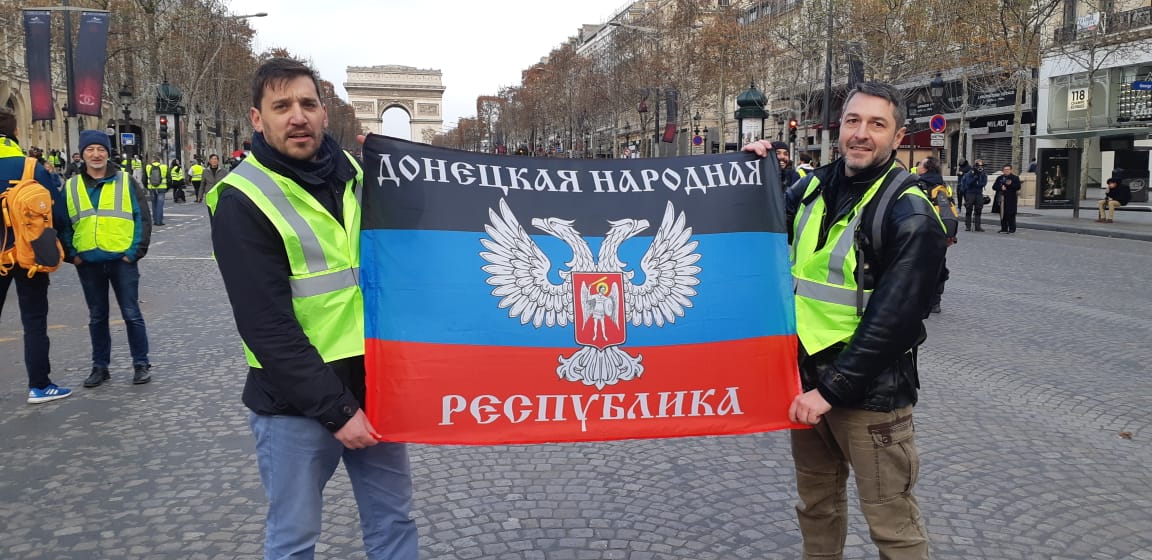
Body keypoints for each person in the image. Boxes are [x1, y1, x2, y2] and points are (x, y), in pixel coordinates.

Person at [206, 58, 418, 559]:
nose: (296, 116)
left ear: (325, 113)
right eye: (281, 106)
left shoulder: (364, 177)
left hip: (376, 385)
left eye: (306, 103)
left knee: (394, 523)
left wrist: (406, 163)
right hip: (296, 404)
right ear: (257, 118)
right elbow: (265, 326)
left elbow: (413, 244)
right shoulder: (240, 198)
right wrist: (338, 410)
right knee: (294, 539)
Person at [746, 81, 945, 559]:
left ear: (898, 138)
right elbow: (762, 223)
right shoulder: (814, 185)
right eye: (853, 121)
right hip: (805, 378)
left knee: (893, 525)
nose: (861, 133)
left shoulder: (911, 212)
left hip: (869, 396)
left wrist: (829, 392)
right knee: (816, 507)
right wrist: (750, 172)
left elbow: (893, 323)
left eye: (877, 124)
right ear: (839, 129)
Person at [63, 130, 154, 387]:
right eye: (90, 149)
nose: (96, 154)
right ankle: (100, 367)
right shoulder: (70, 186)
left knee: (131, 313)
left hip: (121, 260)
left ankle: (140, 363)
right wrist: (73, 255)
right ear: (82, 154)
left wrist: (134, 253)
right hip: (88, 261)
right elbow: (63, 224)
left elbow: (142, 218)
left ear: (108, 153)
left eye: (101, 149)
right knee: (97, 316)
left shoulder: (125, 181)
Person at [0, 108, 73, 403]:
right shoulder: (31, 167)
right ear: (16, 133)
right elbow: (55, 213)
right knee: (34, 321)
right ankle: (39, 386)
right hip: (29, 255)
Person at [916, 157, 953, 314]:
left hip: (922, 231)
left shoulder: (919, 185)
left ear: (926, 169)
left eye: (920, 165)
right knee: (938, 266)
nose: (917, 167)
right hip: (941, 233)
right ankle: (935, 301)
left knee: (918, 267)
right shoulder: (943, 186)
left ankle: (920, 300)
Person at [958, 159, 988, 232]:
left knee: (978, 210)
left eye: (981, 165)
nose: (980, 167)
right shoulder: (970, 173)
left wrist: (978, 182)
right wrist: (975, 178)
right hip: (970, 193)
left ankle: (978, 227)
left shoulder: (983, 173)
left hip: (978, 193)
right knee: (969, 209)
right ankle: (968, 226)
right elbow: (968, 183)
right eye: (978, 165)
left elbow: (983, 183)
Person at [994, 164, 1021, 233]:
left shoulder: (1015, 178)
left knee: (1011, 214)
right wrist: (1000, 188)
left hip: (1011, 199)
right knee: (1002, 214)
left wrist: (1010, 184)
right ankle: (1004, 228)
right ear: (1003, 170)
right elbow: (994, 187)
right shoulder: (999, 178)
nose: (1006, 171)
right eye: (1005, 170)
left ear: (1011, 170)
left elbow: (1018, 187)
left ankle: (1012, 229)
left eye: (1008, 169)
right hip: (1001, 198)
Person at [144, 156, 168, 225]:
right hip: (161, 188)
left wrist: (147, 187)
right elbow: (169, 178)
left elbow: (144, 179)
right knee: (160, 205)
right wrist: (166, 188)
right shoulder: (164, 167)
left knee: (154, 204)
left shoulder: (148, 167)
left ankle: (155, 220)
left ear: (153, 161)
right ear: (159, 161)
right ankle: (159, 221)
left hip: (151, 188)